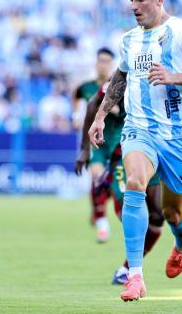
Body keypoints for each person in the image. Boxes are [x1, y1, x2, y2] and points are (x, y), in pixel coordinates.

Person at [88, 0, 182, 301]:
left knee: (173, 213)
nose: (134, 7)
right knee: (134, 183)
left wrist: (174, 76)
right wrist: (100, 116)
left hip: (179, 137)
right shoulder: (130, 39)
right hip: (139, 130)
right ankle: (135, 277)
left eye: (141, 0)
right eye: (131, 1)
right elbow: (120, 79)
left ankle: (181, 242)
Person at [75, 81, 164, 285]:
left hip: (155, 150)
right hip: (124, 155)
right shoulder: (123, 78)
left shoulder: (163, 73)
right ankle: (133, 272)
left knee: (158, 216)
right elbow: (91, 105)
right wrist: (85, 148)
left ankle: (125, 269)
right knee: (129, 213)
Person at [72, 48, 116, 243]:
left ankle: (100, 207)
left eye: (107, 61)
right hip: (97, 143)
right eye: (100, 61)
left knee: (114, 184)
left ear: (112, 63)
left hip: (118, 141)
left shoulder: (118, 86)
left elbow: (119, 109)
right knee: (97, 177)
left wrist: (108, 108)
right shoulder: (87, 87)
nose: (103, 64)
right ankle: (102, 222)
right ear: (96, 63)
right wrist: (75, 115)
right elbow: (75, 94)